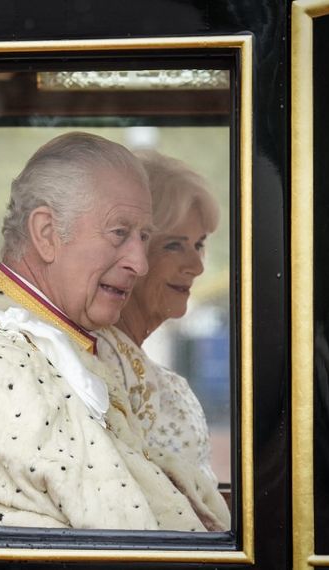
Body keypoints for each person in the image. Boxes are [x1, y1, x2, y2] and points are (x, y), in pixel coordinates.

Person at [0, 132, 212, 531]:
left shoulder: (41, 339)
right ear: (47, 233)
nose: (139, 264)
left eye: (143, 237)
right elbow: (127, 541)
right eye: (119, 234)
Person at [96, 149, 231, 529]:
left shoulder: (145, 372)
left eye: (199, 244)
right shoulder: (92, 363)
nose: (197, 266)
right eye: (174, 245)